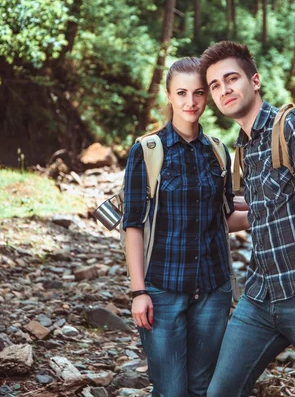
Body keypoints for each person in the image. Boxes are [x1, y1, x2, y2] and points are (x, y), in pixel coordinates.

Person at [201, 42, 295, 396]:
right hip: (258, 296)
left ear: (254, 81)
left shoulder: (293, 127)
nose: (224, 89)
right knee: (220, 392)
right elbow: (258, 214)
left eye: (231, 78)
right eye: (214, 85)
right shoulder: (243, 145)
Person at [122, 57, 249, 397]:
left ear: (208, 96)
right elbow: (132, 225)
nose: (190, 102)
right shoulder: (147, 151)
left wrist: (269, 213)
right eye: (181, 93)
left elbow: (222, 218)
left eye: (198, 93)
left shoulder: (219, 152)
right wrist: (138, 292)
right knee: (171, 390)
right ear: (168, 96)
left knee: (202, 387)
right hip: (162, 289)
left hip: (213, 288)